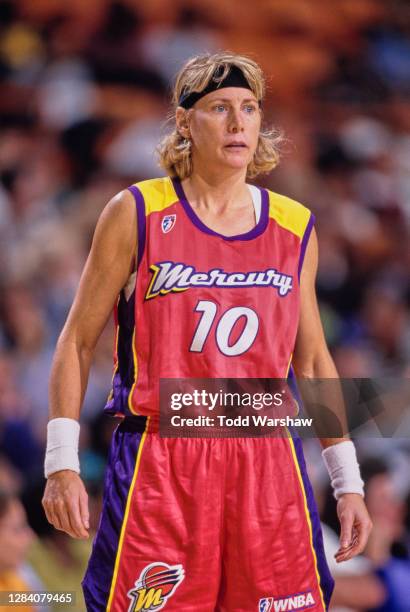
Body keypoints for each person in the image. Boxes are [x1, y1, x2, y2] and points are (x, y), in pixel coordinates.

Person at [42, 52, 372, 611]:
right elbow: (76, 340)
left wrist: (348, 481)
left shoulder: (295, 225)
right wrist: (61, 464)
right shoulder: (137, 212)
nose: (239, 122)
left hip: (266, 460)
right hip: (161, 457)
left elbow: (313, 362)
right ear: (184, 121)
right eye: (220, 108)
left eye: (249, 108)